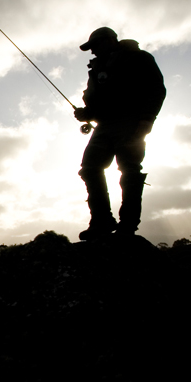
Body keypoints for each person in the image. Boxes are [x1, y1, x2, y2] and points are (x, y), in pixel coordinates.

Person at [73, 26, 166, 240]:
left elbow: (156, 89)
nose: (93, 51)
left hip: (132, 122)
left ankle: (128, 225)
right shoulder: (96, 67)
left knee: (130, 170)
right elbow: (96, 99)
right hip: (104, 125)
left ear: (109, 41)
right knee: (90, 168)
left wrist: (146, 120)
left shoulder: (138, 58)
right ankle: (102, 221)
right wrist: (87, 113)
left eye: (95, 46)